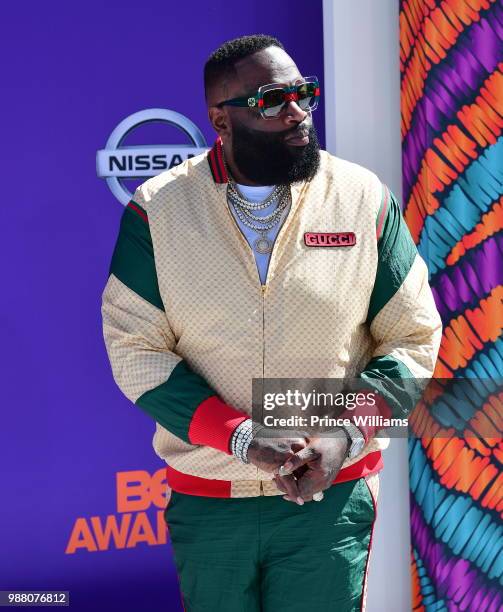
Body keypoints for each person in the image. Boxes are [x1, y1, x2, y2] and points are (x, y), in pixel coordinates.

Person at [101, 34, 442, 611]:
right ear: (220, 119)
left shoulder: (362, 199)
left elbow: (412, 337)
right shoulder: (159, 210)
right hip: (211, 500)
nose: (297, 114)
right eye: (271, 100)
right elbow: (136, 349)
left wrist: (343, 433)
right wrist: (239, 435)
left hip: (330, 498)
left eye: (304, 95)